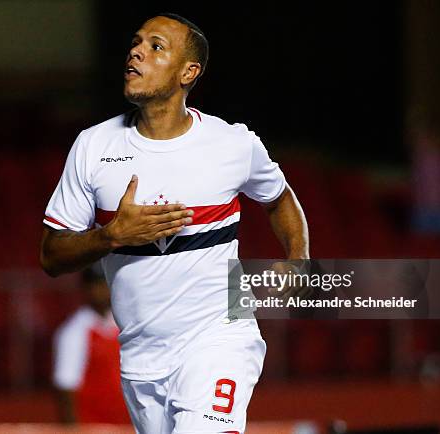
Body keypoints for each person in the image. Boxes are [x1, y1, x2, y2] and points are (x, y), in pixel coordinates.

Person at [40, 12, 309, 434]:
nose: (136, 51)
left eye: (155, 46)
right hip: (141, 357)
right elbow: (52, 255)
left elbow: (279, 199)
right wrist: (111, 236)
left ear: (189, 72)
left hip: (221, 335)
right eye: (136, 42)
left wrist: (298, 257)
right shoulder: (93, 146)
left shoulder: (232, 143)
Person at [52, 264, 129, 425]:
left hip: (127, 424)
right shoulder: (74, 331)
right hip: (92, 425)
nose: (102, 291)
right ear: (86, 289)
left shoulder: (126, 324)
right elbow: (66, 387)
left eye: (105, 284)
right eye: (96, 285)